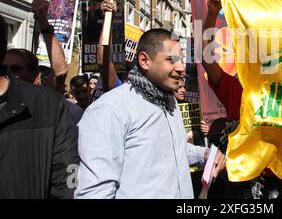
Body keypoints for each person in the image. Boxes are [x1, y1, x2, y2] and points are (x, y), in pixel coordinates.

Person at [75, 29, 225, 198]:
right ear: (145, 61)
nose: (182, 68)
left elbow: (174, 151)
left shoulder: (170, 102)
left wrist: (204, 154)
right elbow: (95, 192)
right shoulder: (109, 109)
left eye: (182, 60)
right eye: (172, 60)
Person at [0, 14, 79, 198]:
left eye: (17, 68)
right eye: (7, 67)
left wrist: (44, 22)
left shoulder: (51, 106)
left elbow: (67, 181)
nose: (11, 73)